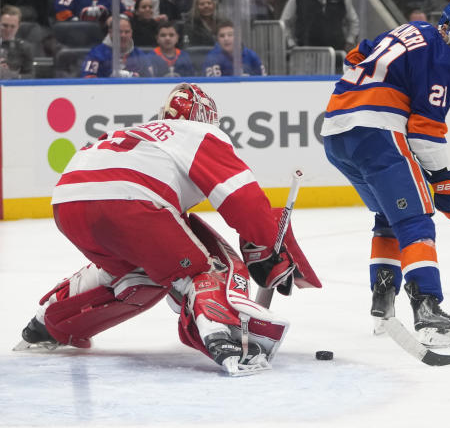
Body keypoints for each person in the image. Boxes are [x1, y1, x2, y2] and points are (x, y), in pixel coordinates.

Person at [14, 83, 314, 377]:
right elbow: (242, 198)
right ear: (205, 116)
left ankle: (47, 324)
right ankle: (222, 335)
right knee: (205, 267)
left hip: (67, 203)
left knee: (136, 272)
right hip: (131, 202)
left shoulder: (140, 133)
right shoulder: (199, 133)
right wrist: (266, 248)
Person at [320, 0, 450, 347]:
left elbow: (358, 53)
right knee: (415, 219)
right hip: (376, 131)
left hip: (336, 131)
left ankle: (383, 307)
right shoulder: (442, 58)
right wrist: (448, 183)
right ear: (447, 27)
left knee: (389, 213)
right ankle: (428, 311)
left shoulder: (409, 30)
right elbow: (425, 134)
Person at [82, 14, 157, 78]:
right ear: (110, 32)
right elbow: (88, 80)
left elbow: (149, 81)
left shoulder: (139, 55)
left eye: (127, 32)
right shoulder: (96, 54)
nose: (123, 35)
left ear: (131, 33)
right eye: (119, 31)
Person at [0, 5, 35, 79]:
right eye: (5, 25)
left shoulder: (25, 48)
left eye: (12, 27)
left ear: (18, 26)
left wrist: (14, 76)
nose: (8, 30)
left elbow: (30, 76)